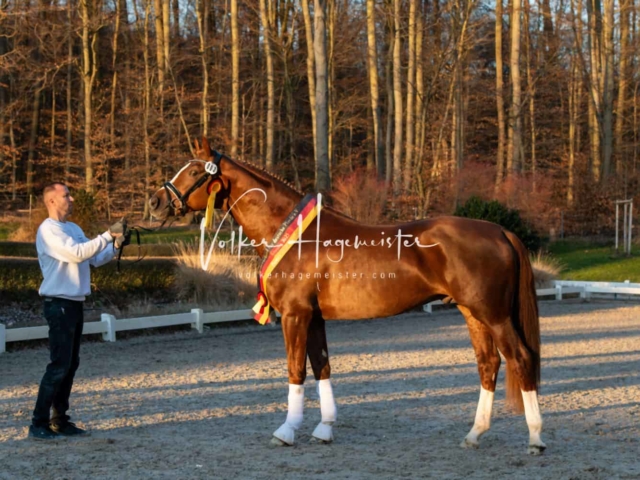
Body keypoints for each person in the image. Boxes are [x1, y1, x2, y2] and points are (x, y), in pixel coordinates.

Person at [29, 182, 126, 441]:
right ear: (51, 201)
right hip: (58, 304)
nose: (71, 199)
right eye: (66, 195)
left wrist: (114, 246)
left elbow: (93, 258)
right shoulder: (48, 230)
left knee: (70, 365)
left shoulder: (73, 228)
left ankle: (60, 420)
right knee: (59, 365)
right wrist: (107, 234)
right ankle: (38, 423)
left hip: (73, 303)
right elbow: (76, 253)